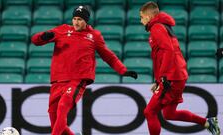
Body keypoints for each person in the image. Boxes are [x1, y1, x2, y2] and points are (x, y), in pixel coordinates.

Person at [31, 5, 138, 135]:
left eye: (80, 19)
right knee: (55, 119)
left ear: (86, 21)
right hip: (57, 80)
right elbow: (35, 40)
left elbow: (108, 56)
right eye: (75, 18)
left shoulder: (94, 36)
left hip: (77, 79)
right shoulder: (62, 30)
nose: (76, 22)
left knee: (63, 107)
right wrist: (43, 36)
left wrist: (123, 70)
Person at [139, 2, 220, 135]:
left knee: (149, 112)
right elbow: (162, 55)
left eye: (141, 17)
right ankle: (207, 122)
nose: (140, 20)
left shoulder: (157, 28)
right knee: (169, 114)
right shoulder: (162, 26)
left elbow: (169, 51)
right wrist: (158, 79)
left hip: (171, 77)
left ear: (148, 16)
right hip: (176, 76)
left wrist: (163, 77)